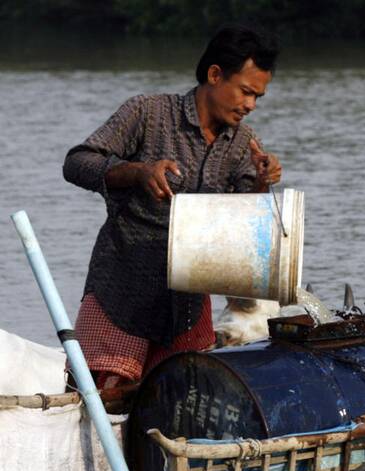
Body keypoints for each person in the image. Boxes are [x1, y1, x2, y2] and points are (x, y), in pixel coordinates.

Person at [62, 23, 283, 388]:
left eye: (258, 97)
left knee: (180, 401)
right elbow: (77, 162)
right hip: (122, 288)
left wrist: (262, 182)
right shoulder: (148, 113)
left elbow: (243, 233)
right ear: (215, 75)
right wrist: (136, 172)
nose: (250, 105)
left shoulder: (244, 143)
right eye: (246, 92)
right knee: (98, 395)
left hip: (188, 301)